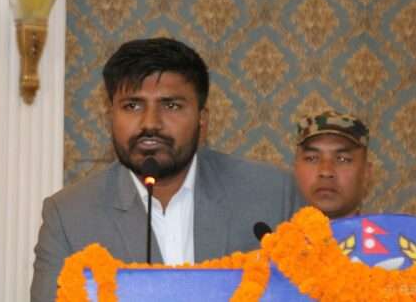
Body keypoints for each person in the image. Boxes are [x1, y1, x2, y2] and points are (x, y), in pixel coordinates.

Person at [30, 38, 305, 302]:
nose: (150, 123)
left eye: (171, 105)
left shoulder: (273, 196)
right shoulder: (69, 217)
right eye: (132, 105)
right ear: (110, 118)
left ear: (202, 119)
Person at [293, 110, 372, 219]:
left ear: (366, 174)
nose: (326, 172)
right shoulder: (278, 230)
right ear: (296, 169)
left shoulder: (391, 230)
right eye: (312, 158)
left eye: (342, 159)